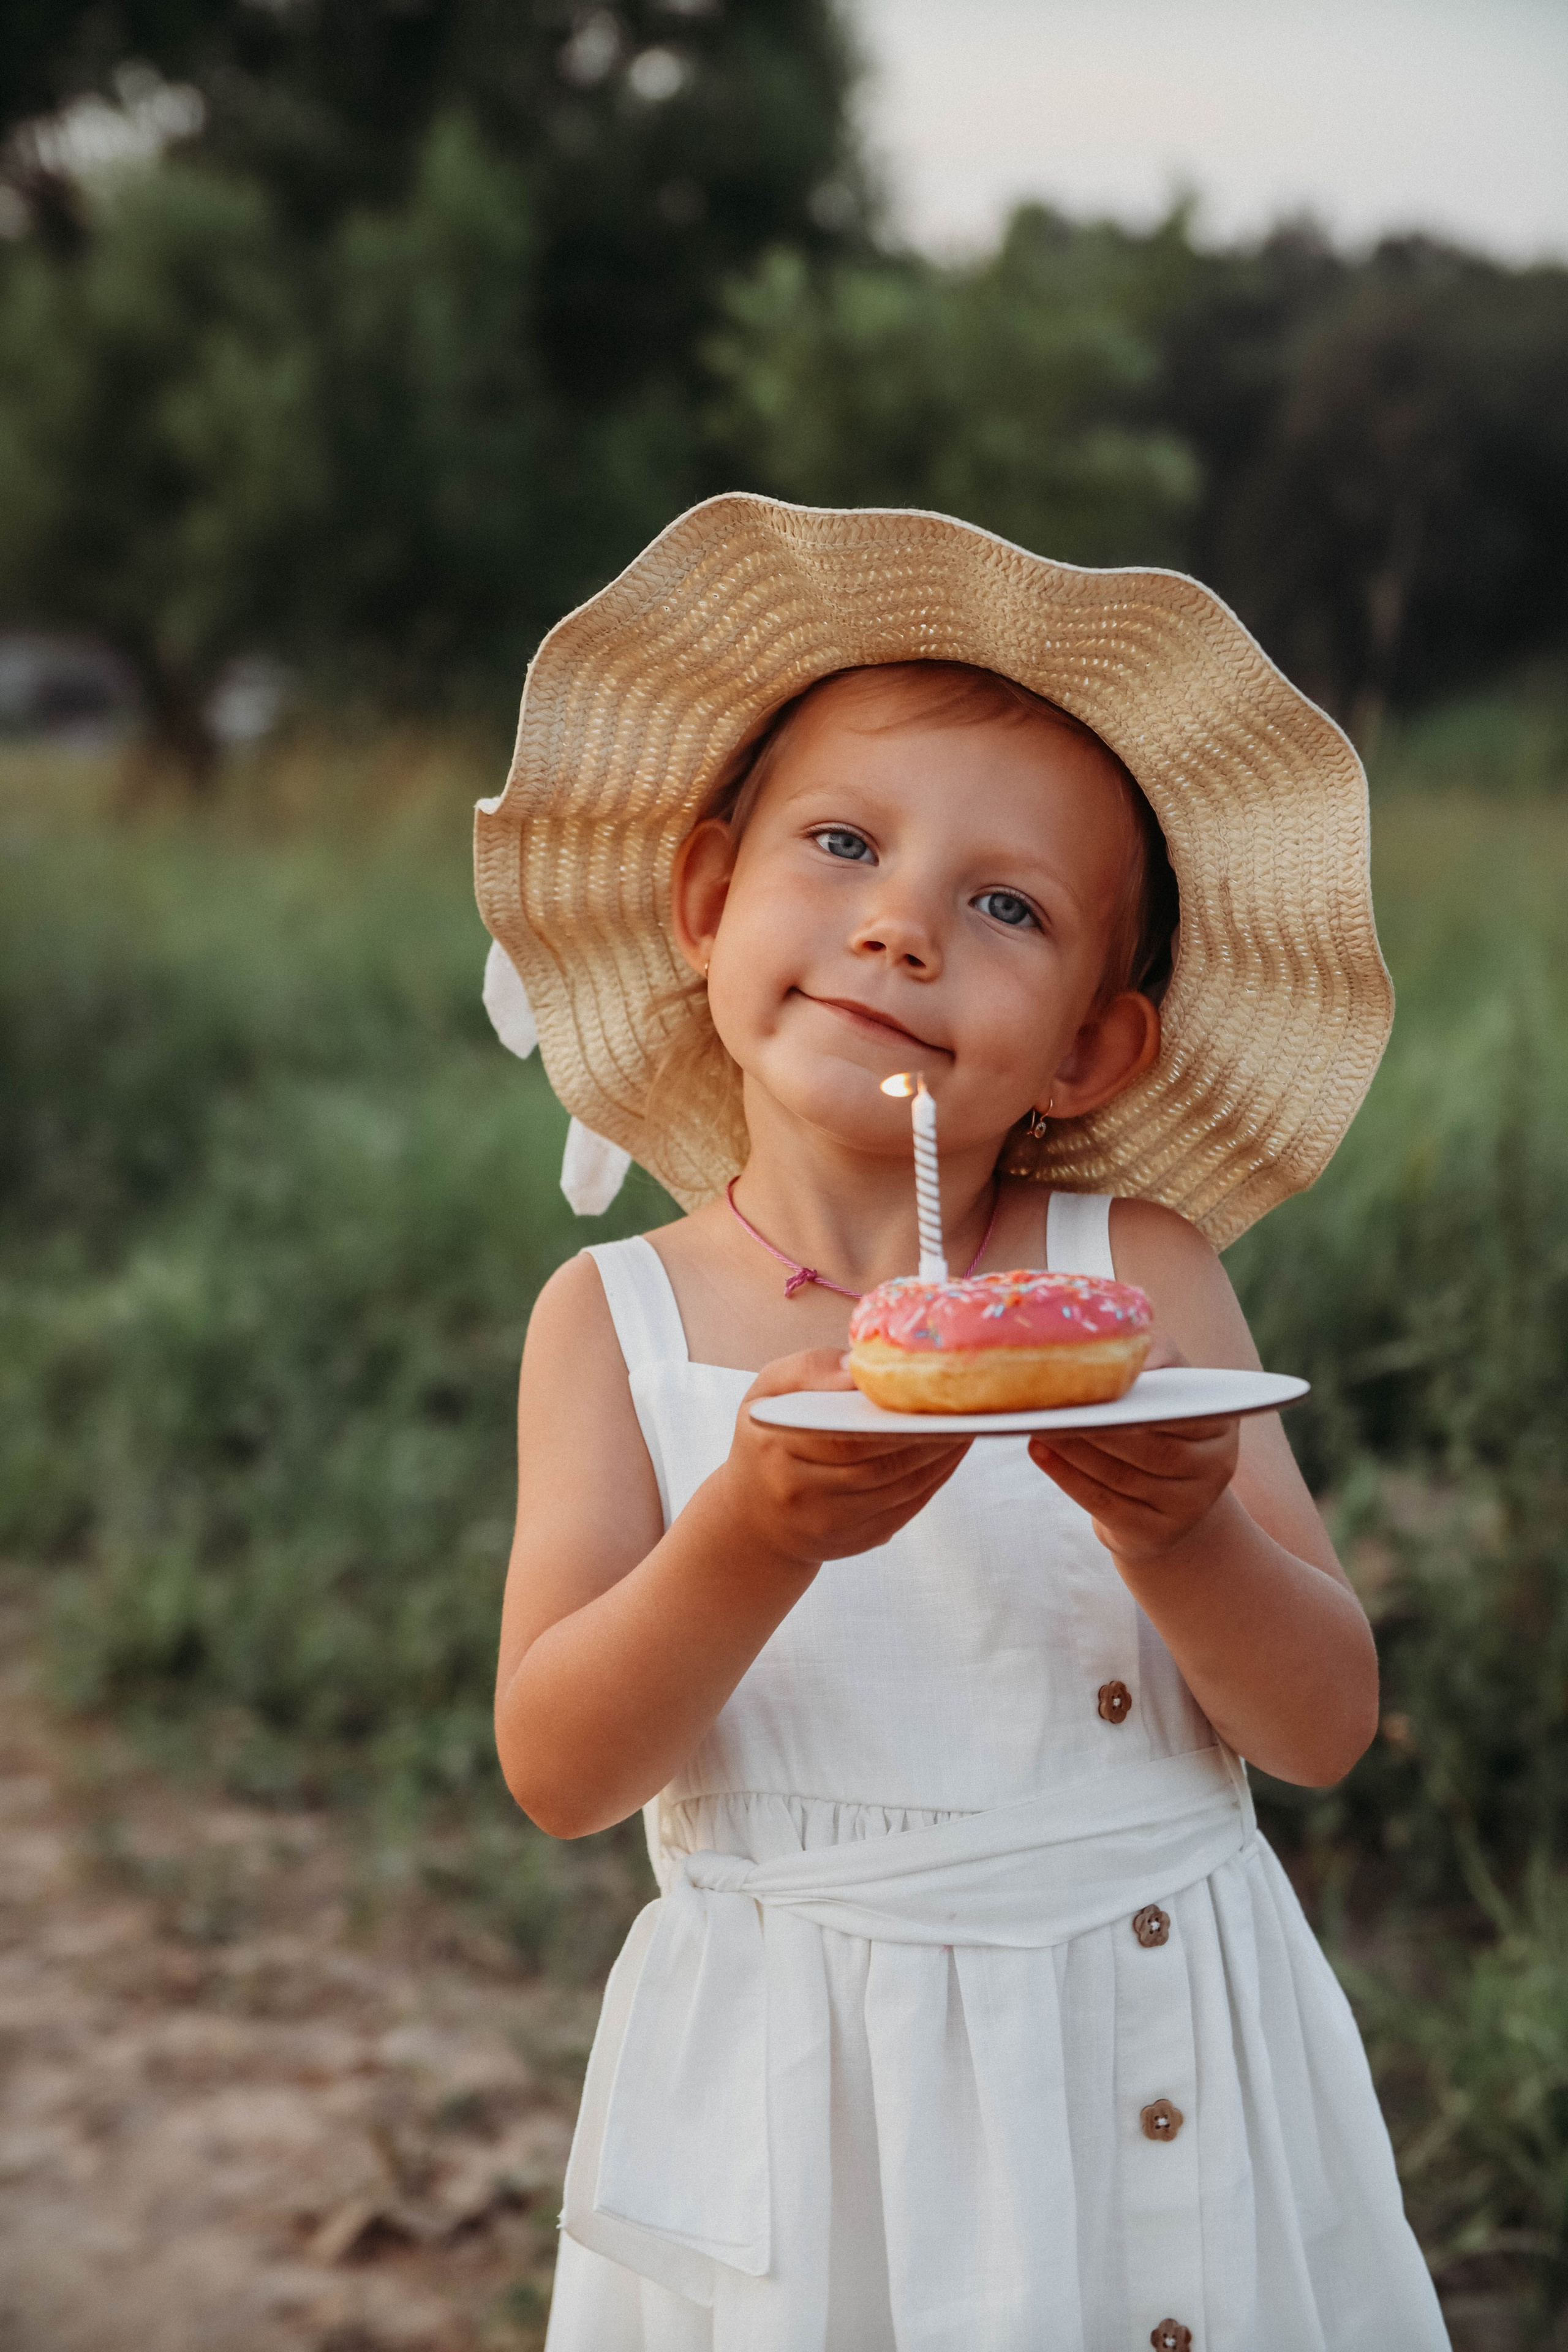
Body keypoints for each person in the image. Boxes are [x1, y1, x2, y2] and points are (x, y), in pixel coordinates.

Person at [475, 497, 1449, 2351]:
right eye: (843, 843)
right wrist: (752, 1532)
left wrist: (1180, 1530)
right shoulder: (613, 1322)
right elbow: (560, 1770)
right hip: (814, 2107)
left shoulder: (1132, 1277)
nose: (901, 927)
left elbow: (1323, 1726)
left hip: (1150, 2046)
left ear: (1091, 1046)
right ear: (709, 900)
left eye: (1009, 907)